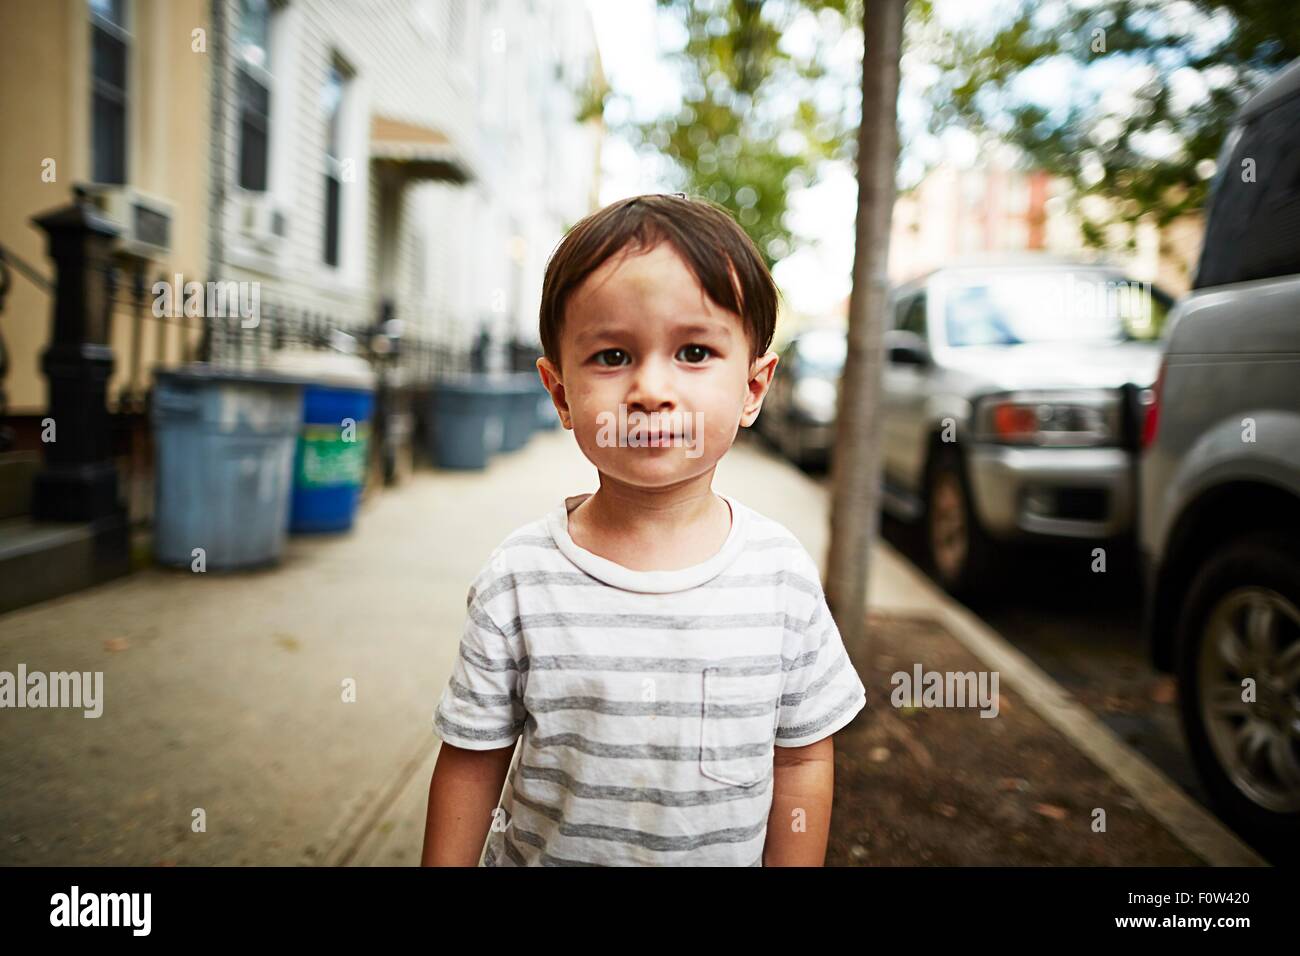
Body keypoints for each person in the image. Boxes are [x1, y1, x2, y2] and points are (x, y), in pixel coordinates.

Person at [420, 193, 867, 866]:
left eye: (693, 350)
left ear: (753, 387)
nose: (651, 389)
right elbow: (471, 761)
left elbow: (802, 758)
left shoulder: (780, 576)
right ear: (561, 394)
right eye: (611, 356)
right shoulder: (521, 577)